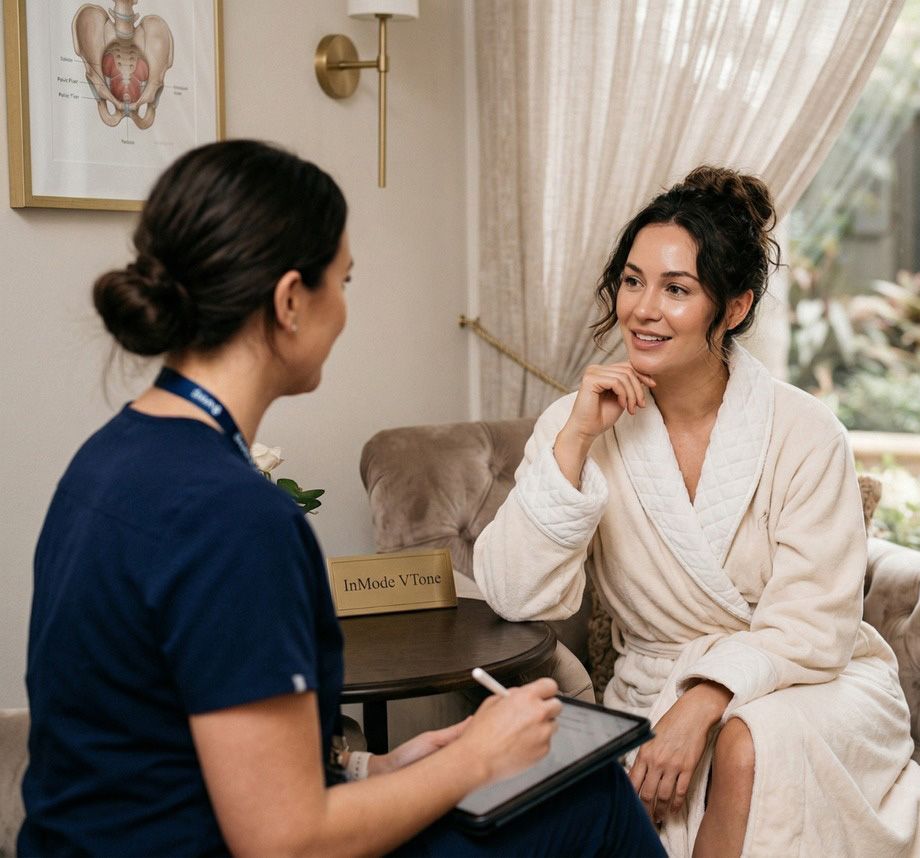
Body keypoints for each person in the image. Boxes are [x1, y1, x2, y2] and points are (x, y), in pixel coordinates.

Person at [20, 139, 662, 858]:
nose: (346, 312)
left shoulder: (106, 459)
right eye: (344, 282)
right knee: (598, 798)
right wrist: (472, 759)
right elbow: (286, 843)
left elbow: (163, 743)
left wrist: (374, 768)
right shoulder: (235, 519)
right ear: (291, 300)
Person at [474, 166, 920, 857]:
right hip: (653, 685)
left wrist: (705, 701)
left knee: (748, 743)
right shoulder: (579, 422)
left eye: (676, 289)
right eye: (632, 280)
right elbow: (513, 592)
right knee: (740, 741)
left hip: (814, 683)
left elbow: (814, 623)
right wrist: (574, 441)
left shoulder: (803, 430)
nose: (643, 309)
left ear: (734, 308)